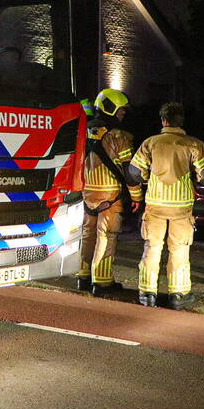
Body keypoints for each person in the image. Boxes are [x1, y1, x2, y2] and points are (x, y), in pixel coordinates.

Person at [126, 102, 204, 310]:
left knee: (152, 248)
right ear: (181, 120)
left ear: (164, 121)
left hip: (155, 205)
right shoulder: (194, 144)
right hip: (181, 207)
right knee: (179, 250)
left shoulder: (150, 143)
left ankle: (147, 293)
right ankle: (178, 295)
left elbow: (134, 172)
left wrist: (148, 178)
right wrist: (196, 179)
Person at [78, 89, 135, 296]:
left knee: (88, 234)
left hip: (87, 194)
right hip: (111, 196)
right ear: (110, 108)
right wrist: (136, 196)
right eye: (120, 111)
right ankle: (101, 282)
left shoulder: (84, 131)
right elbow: (130, 171)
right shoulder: (120, 136)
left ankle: (83, 277)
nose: (123, 115)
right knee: (107, 236)